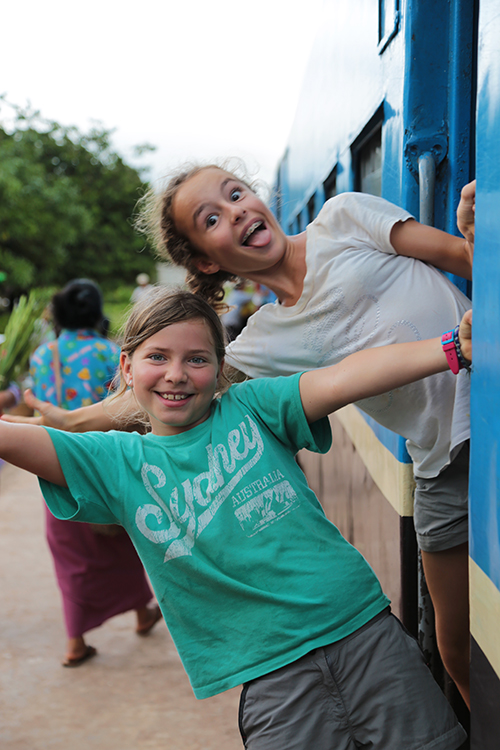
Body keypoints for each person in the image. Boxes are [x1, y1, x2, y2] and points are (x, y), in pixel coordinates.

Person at [6, 169, 475, 705]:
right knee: (455, 645)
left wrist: (474, 234)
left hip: (485, 409)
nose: (234, 210)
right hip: (439, 460)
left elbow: (465, 260)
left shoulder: (344, 218)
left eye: (235, 194)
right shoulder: (260, 344)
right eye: (211, 218)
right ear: (207, 260)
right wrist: (66, 422)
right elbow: (145, 395)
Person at [29, 279, 162, 667]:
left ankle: (76, 640)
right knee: (123, 541)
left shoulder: (43, 355)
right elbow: (129, 405)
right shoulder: (111, 353)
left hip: (54, 461)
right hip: (105, 461)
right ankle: (141, 612)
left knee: (70, 551)